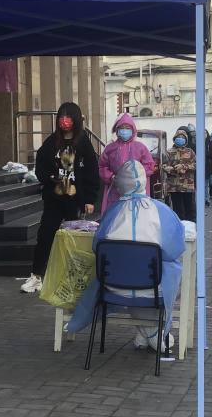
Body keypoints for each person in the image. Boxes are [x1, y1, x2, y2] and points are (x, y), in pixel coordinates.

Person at [66, 160, 184, 351]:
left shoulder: (111, 212)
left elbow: (98, 247)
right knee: (173, 272)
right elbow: (175, 249)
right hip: (154, 288)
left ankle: (145, 332)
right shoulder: (162, 211)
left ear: (119, 184)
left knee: (131, 275)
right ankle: (153, 332)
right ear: (144, 181)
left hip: (113, 287)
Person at [21, 102, 99, 294]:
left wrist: (90, 199)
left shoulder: (84, 143)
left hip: (75, 200)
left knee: (74, 239)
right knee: (45, 235)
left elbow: (91, 172)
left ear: (76, 119)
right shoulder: (52, 142)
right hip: (54, 199)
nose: (64, 121)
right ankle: (37, 276)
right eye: (61, 116)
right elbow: (41, 164)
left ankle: (74, 277)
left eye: (68, 116)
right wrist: (48, 177)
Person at [98, 113, 154, 213]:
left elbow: (149, 166)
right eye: (122, 127)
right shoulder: (110, 148)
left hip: (136, 192)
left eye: (127, 127)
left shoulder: (141, 147)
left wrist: (135, 177)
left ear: (133, 130)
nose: (124, 130)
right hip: (115, 190)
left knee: (135, 216)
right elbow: (102, 166)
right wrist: (111, 177)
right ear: (117, 130)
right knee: (115, 217)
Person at [164, 129, 196, 222]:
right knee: (178, 211)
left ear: (186, 139)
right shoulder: (169, 152)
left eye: (182, 137)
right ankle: (180, 229)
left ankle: (191, 229)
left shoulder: (190, 152)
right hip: (174, 187)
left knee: (190, 210)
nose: (180, 139)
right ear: (174, 138)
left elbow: (196, 165)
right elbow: (164, 165)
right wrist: (171, 168)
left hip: (188, 186)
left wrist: (184, 166)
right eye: (178, 137)